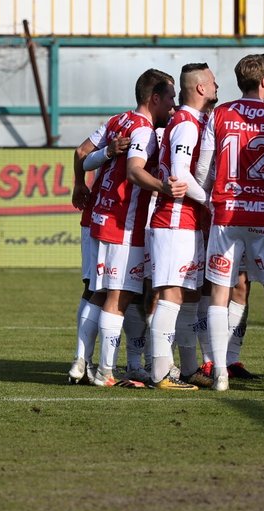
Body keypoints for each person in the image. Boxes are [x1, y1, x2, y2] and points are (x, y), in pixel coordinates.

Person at [197, 53, 264, 392]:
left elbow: (202, 171)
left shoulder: (220, 114)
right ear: (263, 82)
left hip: (226, 215)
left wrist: (214, 198)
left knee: (219, 294)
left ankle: (220, 374)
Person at [79, 68, 185, 387]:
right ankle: (112, 369)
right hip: (131, 222)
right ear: (154, 98)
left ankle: (86, 363)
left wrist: (99, 161)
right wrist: (163, 187)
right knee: (122, 295)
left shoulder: (121, 121)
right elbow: (134, 171)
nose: (174, 105)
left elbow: (83, 156)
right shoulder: (142, 129)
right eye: (170, 98)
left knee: (112, 293)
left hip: (112, 217)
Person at [147, 62, 218, 390]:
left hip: (188, 223)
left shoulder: (195, 121)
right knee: (172, 294)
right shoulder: (187, 124)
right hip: (175, 222)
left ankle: (189, 369)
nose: (217, 87)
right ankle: (160, 371)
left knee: (188, 296)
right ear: (202, 87)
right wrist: (209, 200)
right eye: (213, 82)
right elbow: (179, 175)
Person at [68, 133, 130, 384]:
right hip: (117, 219)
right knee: (119, 290)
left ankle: (81, 360)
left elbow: (81, 151)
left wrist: (79, 183)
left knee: (94, 288)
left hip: (97, 214)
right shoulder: (138, 126)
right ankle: (131, 364)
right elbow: (82, 153)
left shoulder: (115, 123)